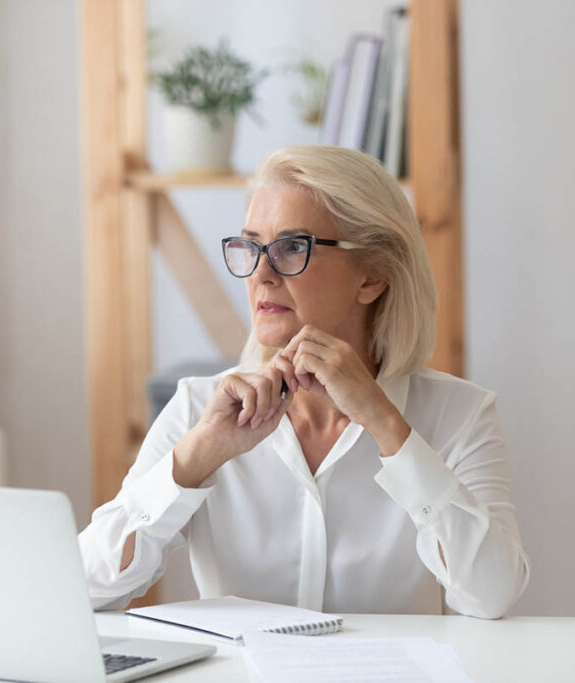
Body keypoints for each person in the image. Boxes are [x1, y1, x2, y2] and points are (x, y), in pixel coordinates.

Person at [79, 145, 529, 618]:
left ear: (372, 276)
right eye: (251, 246)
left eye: (292, 247)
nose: (261, 273)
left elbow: (491, 595)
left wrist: (385, 423)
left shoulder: (461, 415)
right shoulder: (198, 408)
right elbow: (88, 587)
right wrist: (196, 457)